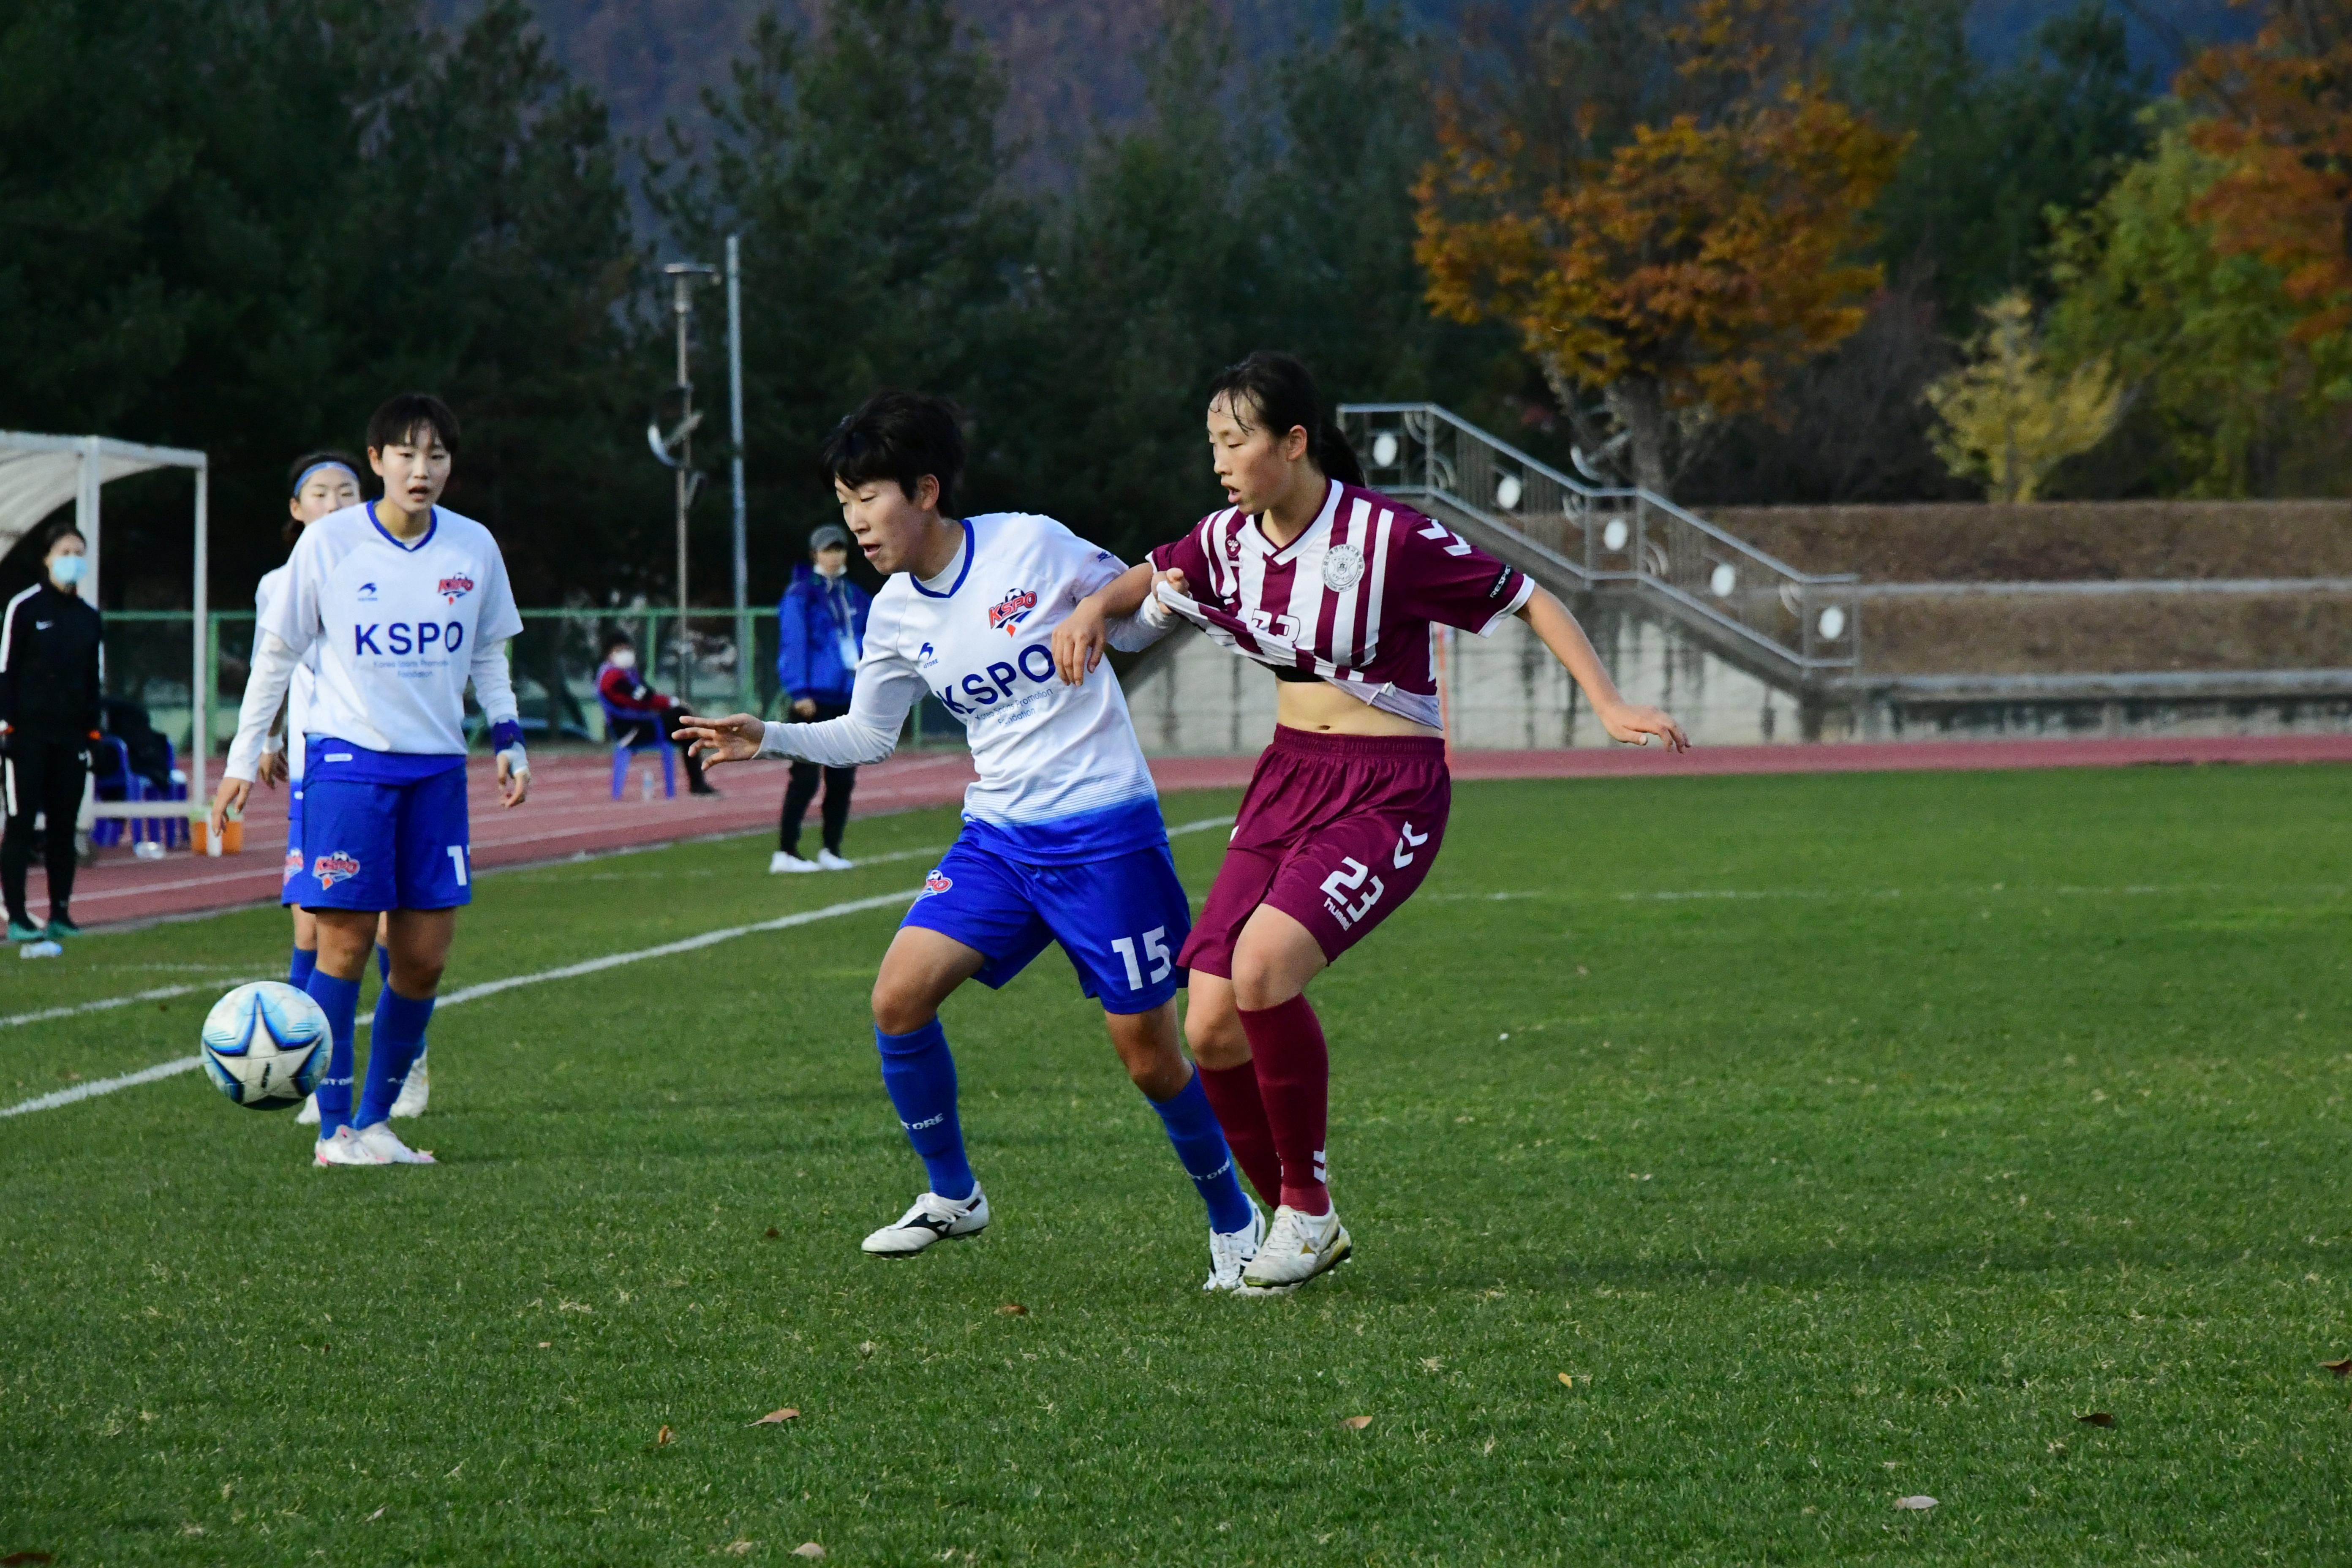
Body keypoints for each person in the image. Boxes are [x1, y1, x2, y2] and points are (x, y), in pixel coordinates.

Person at [1056, 351, 1689, 1292]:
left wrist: (1608, 703)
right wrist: (1093, 613)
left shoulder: (1387, 537)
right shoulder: (1227, 539)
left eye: (1237, 442)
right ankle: (1298, 1224)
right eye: (1214, 444)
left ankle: (1306, 1213)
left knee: (1264, 969)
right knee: (1212, 1019)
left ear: (1295, 442)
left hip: (1388, 788)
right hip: (1287, 779)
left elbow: (1528, 598)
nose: (1221, 462)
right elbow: (1152, 570)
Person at [679, 389, 1264, 1290]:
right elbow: (869, 734)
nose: (855, 523)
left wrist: (1155, 603)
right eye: (843, 505)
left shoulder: (1030, 542)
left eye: (866, 499)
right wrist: (770, 734)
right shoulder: (894, 614)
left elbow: (1137, 615)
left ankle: (1236, 1219)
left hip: (1105, 834)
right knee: (897, 998)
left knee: (1149, 1054)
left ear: (923, 490)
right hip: (998, 838)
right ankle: (955, 1194)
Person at [210, 393, 531, 1168]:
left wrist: (509, 736)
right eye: (407, 455)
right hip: (349, 766)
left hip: (438, 771)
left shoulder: (473, 545)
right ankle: (333, 1131)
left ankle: (379, 1121)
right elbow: (276, 655)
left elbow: (489, 650)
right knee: (343, 948)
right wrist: (241, 759)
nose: (422, 471)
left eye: (438, 457)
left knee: (423, 958)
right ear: (377, 459)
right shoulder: (329, 547)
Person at [0, 525, 103, 943]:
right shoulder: (24, 608)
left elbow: (92, 680)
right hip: (26, 737)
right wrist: (6, 727)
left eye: (79, 551)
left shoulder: (88, 617)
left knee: (64, 827)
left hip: (71, 739)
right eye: (65, 550)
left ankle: (61, 911)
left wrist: (93, 735)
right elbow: (6, 671)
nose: (72, 557)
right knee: (21, 824)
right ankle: (19, 916)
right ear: (47, 558)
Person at [771, 522, 869, 872]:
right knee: (806, 776)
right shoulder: (801, 594)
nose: (834, 556)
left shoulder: (856, 595)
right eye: (827, 550)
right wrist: (799, 690)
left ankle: (831, 849)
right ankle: (786, 851)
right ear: (815, 554)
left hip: (848, 696)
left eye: (839, 549)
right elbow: (793, 643)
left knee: (842, 778)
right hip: (813, 697)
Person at [595, 629, 717, 795]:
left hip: (641, 722)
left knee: (684, 723)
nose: (625, 654)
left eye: (627, 649)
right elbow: (642, 698)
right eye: (618, 650)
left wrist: (668, 704)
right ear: (608, 654)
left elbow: (648, 694)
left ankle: (698, 782)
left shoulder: (628, 673)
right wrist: (671, 703)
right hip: (630, 729)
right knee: (682, 719)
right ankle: (697, 783)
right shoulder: (612, 677)